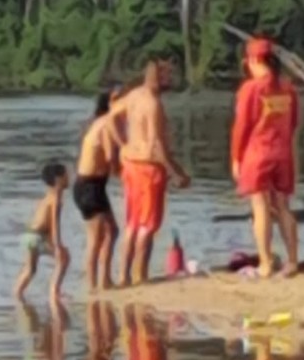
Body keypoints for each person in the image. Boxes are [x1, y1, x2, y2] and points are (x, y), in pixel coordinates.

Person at [108, 59, 191, 286]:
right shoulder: (153, 104)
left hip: (131, 165)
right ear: (160, 76)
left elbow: (110, 116)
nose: (171, 80)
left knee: (132, 223)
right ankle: (138, 275)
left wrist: (123, 144)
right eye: (169, 76)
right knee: (147, 225)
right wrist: (176, 173)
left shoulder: (134, 95)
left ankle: (124, 275)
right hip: (148, 167)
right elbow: (156, 145)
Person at [230, 37, 301, 278]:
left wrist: (236, 158)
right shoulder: (288, 88)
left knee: (259, 207)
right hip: (283, 152)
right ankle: (292, 260)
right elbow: (294, 122)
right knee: (283, 206)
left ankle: (266, 262)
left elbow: (242, 126)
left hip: (258, 152)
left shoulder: (251, 88)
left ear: (254, 59)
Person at [73, 90, 124, 291]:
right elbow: (111, 157)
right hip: (89, 186)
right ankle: (93, 284)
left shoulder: (101, 123)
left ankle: (103, 279)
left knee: (112, 231)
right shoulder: (105, 125)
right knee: (97, 237)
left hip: (94, 185)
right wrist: (122, 175)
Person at [13, 163, 71, 302]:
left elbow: (40, 221)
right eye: (66, 175)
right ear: (58, 179)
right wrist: (58, 246)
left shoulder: (46, 197)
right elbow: (54, 225)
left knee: (30, 270)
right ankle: (54, 292)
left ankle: (17, 294)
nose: (69, 178)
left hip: (29, 234)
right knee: (64, 258)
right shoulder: (56, 199)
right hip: (38, 236)